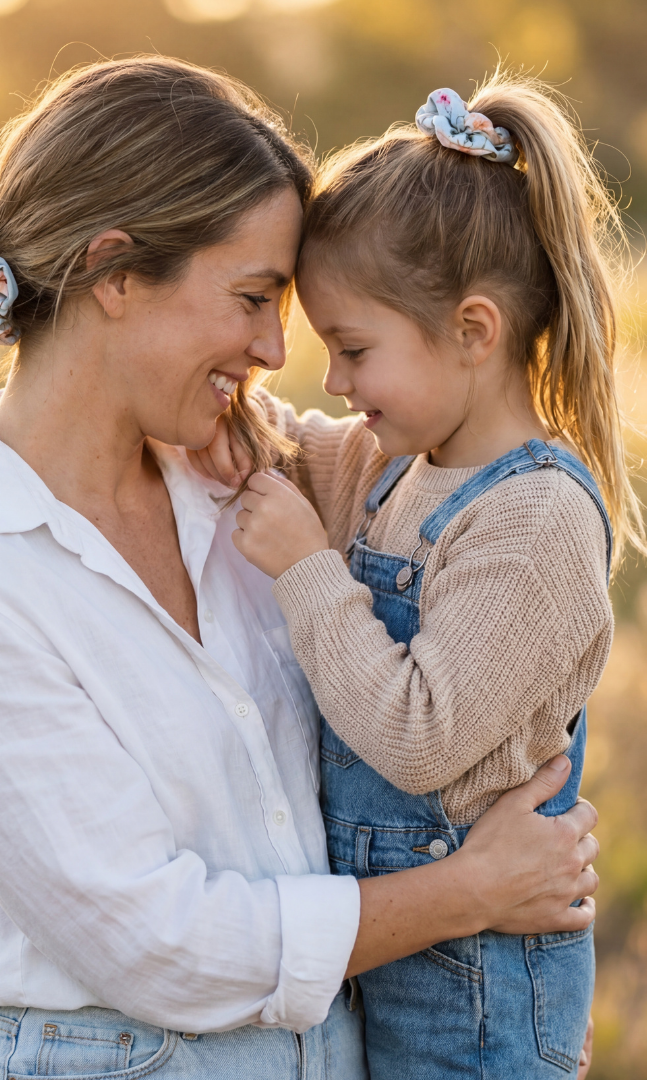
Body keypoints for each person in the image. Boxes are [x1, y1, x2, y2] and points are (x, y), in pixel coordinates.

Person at [0, 58, 598, 1080]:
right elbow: (158, 944)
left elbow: (437, 510)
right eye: (254, 297)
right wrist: (468, 894)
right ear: (115, 272)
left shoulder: (240, 485)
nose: (274, 349)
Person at [195, 71, 637, 1078]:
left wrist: (308, 569)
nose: (334, 381)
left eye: (354, 348)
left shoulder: (534, 518)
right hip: (394, 961)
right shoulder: (396, 459)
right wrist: (222, 403)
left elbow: (420, 738)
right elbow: (298, 444)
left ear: (474, 332)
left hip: (481, 1003)